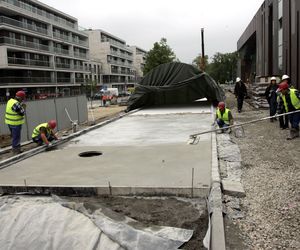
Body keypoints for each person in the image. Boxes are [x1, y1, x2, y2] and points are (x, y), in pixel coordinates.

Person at [4, 90, 26, 154]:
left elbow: (14, 109)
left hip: (9, 122)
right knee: (16, 137)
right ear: (20, 98)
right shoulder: (16, 103)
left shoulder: (10, 101)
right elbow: (22, 113)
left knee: (14, 136)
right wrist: (23, 107)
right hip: (15, 123)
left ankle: (15, 148)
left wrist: (20, 105)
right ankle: (16, 150)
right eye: (22, 99)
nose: (22, 100)